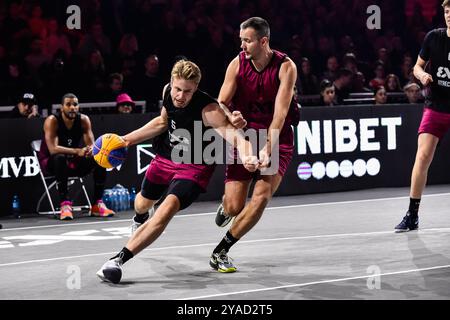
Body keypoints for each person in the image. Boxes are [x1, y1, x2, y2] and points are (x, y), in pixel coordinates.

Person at [96, 59, 258, 284]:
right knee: (142, 203)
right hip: (165, 157)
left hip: (195, 167)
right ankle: (140, 218)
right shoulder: (167, 92)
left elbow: (237, 137)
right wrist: (126, 140)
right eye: (177, 89)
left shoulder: (208, 110)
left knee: (167, 207)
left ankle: (116, 261)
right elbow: (162, 122)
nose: (180, 96)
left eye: (188, 92)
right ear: (171, 83)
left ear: (196, 89)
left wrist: (249, 155)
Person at [211, 17, 299, 273]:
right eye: (241, 40)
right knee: (234, 206)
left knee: (261, 197)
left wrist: (266, 149)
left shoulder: (286, 67)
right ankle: (227, 206)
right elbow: (221, 103)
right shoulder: (237, 64)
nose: (242, 46)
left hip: (278, 137)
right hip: (245, 136)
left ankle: (221, 251)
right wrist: (231, 115)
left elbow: (280, 116)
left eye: (247, 41)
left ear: (263, 41)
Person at [395, 0, 450, 232]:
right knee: (423, 156)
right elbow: (417, 67)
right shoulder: (433, 37)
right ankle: (412, 214)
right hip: (436, 104)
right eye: (447, 11)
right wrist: (422, 76)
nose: (449, 15)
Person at [37, 93, 115, 220]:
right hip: (51, 163)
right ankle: (65, 205)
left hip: (72, 162)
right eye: (68, 104)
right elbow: (53, 149)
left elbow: (91, 146)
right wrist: (77, 151)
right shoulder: (52, 121)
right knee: (59, 157)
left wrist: (91, 150)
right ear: (62, 107)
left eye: (75, 104)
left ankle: (97, 204)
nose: (72, 107)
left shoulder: (84, 120)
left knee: (99, 158)